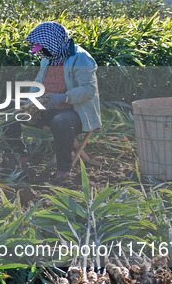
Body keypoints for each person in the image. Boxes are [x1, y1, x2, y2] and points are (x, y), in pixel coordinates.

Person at [8, 22, 102, 181]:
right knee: (10, 106)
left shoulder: (81, 58)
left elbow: (89, 90)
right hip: (47, 109)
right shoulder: (48, 58)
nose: (39, 51)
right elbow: (38, 84)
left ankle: (64, 169)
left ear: (54, 42)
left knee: (61, 122)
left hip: (74, 113)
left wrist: (64, 97)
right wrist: (29, 103)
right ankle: (19, 154)